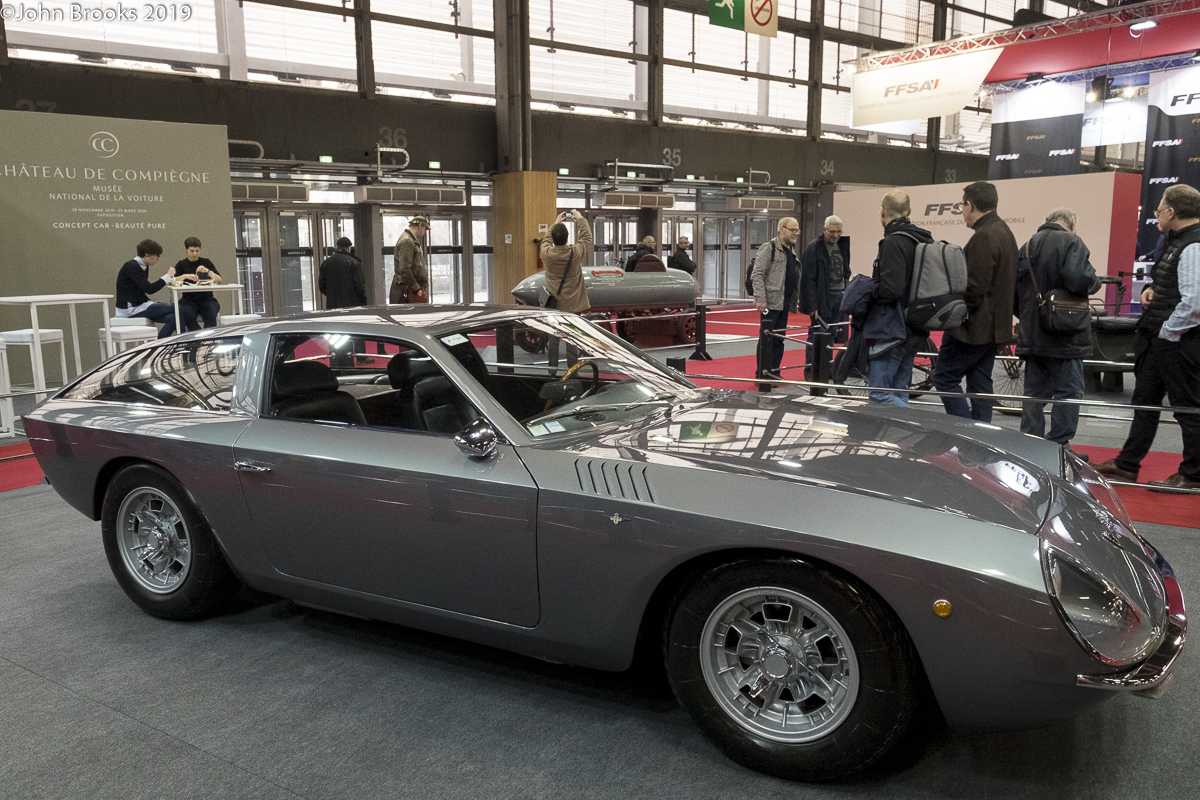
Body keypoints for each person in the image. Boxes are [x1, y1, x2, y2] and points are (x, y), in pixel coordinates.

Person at [1096, 184, 1200, 491]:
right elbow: (1172, 284)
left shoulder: (1192, 245)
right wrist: (1152, 290)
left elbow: (1194, 303)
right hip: (1162, 337)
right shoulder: (1177, 241)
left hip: (1177, 340)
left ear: (1172, 212)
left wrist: (1168, 331)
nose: (1156, 216)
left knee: (1187, 409)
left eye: (1159, 210)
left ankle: (1193, 475)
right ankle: (1127, 464)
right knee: (1145, 402)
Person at [932, 181, 1017, 421]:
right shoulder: (1004, 231)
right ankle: (980, 437)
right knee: (980, 384)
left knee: (944, 378)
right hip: (994, 329)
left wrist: (959, 316)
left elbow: (974, 288)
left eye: (962, 206)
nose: (962, 212)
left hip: (973, 330)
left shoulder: (985, 236)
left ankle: (967, 430)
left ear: (970, 205)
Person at [1014, 209, 1101, 445]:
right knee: (1068, 392)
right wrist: (1095, 282)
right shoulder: (1071, 241)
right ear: (1071, 224)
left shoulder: (1026, 247)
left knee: (1033, 393)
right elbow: (1079, 279)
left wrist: (1031, 318)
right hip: (1066, 335)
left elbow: (1014, 294)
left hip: (1032, 335)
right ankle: (1058, 445)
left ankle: (1030, 443)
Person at [865, 190, 933, 406]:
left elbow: (891, 289)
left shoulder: (893, 242)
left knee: (880, 394)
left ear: (882, 212)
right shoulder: (923, 238)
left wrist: (869, 293)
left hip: (893, 328)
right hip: (915, 326)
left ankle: (915, 424)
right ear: (909, 210)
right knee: (899, 391)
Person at [751, 217, 801, 389]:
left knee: (779, 339)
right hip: (770, 303)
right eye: (793, 230)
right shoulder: (769, 248)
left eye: (797, 230)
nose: (796, 233)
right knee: (767, 339)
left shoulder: (791, 250)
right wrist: (761, 299)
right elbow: (757, 274)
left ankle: (774, 373)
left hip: (784, 302)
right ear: (781, 229)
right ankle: (762, 374)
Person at [800, 215, 850, 381]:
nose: (835, 235)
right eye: (832, 232)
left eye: (839, 232)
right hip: (822, 298)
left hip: (839, 295)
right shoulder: (813, 248)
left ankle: (826, 368)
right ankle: (811, 370)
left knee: (831, 334)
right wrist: (812, 305)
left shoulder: (843, 245)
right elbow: (808, 279)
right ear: (824, 230)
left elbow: (846, 269)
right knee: (816, 334)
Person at [115, 239, 178, 339]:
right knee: (178, 308)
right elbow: (149, 289)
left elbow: (140, 290)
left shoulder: (144, 266)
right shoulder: (131, 266)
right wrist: (167, 276)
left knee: (174, 318)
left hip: (140, 305)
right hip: (129, 309)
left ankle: (159, 345)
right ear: (147, 254)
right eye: (156, 256)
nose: (157, 259)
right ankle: (185, 342)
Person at [540, 209, 593, 314]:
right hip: (575, 305)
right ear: (567, 237)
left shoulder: (546, 253)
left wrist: (556, 224)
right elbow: (587, 237)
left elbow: (546, 240)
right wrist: (580, 218)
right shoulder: (575, 252)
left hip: (554, 305)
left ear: (553, 238)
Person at [172, 236, 222, 331]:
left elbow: (219, 279)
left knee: (211, 313)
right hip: (188, 300)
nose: (195, 254)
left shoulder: (206, 262)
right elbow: (172, 280)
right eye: (192, 251)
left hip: (207, 299)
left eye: (197, 251)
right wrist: (185, 276)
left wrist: (208, 272)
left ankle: (207, 336)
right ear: (186, 250)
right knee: (186, 314)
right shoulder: (181, 264)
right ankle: (198, 335)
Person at [391, 215, 430, 303]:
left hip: (409, 288)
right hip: (408, 290)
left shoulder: (411, 240)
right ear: (420, 225)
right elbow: (405, 268)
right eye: (425, 229)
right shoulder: (407, 240)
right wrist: (416, 288)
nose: (425, 232)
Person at [319, 237, 366, 310]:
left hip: (332, 304)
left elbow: (322, 285)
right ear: (349, 248)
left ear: (337, 247)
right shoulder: (354, 263)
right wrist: (363, 301)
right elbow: (359, 285)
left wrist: (332, 295)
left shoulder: (326, 263)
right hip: (352, 304)